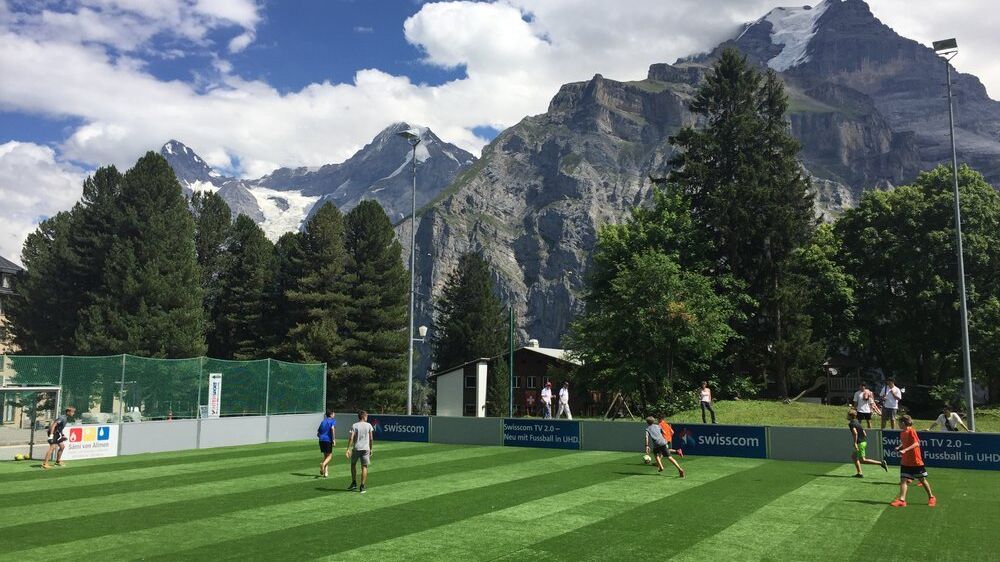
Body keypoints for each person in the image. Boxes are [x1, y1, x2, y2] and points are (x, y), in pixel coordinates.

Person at [891, 415, 936, 507]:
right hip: (905, 461)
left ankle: (931, 497)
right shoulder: (903, 432)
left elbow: (916, 443)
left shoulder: (911, 431)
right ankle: (902, 500)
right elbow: (905, 443)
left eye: (899, 422)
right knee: (903, 480)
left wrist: (905, 450)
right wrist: (899, 447)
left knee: (922, 480)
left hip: (915, 461)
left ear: (903, 423)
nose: (898, 424)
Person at [847, 409, 887, 477]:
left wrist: (855, 443)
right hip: (863, 442)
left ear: (850, 416)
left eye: (848, 415)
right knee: (854, 457)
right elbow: (864, 433)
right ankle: (859, 473)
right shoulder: (857, 422)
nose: (847, 416)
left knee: (862, 460)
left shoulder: (851, 423)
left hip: (860, 443)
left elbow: (855, 433)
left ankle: (881, 463)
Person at [346, 410, 374, 494]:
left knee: (353, 464)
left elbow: (351, 438)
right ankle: (362, 486)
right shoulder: (369, 425)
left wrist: (348, 448)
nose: (367, 417)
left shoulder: (355, 425)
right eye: (366, 416)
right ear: (363, 416)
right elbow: (371, 438)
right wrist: (371, 448)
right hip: (366, 448)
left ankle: (354, 482)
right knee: (364, 467)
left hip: (357, 448)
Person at [316, 410, 337, 478]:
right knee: (330, 456)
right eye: (333, 414)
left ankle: (326, 472)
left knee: (326, 456)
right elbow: (332, 429)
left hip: (321, 440)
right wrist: (333, 439)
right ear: (331, 415)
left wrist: (321, 437)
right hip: (328, 440)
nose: (334, 415)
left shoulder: (323, 421)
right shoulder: (332, 421)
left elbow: (318, 433)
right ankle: (323, 464)